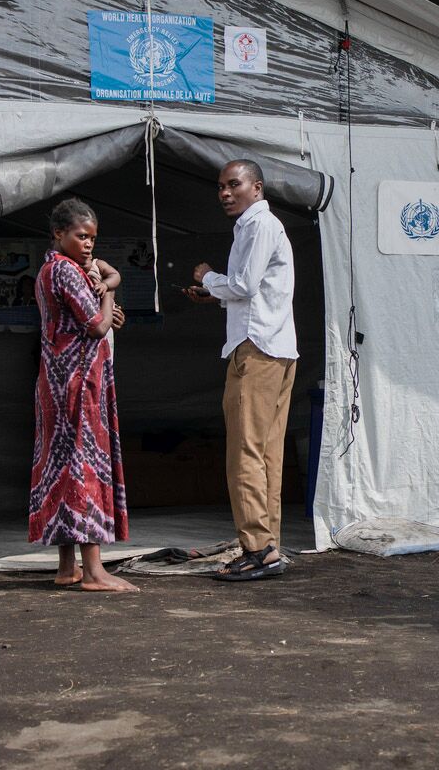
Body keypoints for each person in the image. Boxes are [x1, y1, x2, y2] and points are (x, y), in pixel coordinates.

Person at [185, 159, 297, 582]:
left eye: (234, 185)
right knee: (267, 453)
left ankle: (257, 547)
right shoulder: (260, 227)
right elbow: (255, 291)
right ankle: (268, 546)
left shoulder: (257, 226)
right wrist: (215, 293)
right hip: (278, 347)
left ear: (257, 187)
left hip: (256, 350)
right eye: (221, 187)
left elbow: (245, 284)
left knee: (245, 453)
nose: (225, 193)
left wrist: (209, 277)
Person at [31, 197, 136, 592]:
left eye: (92, 237)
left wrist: (105, 289)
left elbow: (110, 276)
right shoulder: (67, 271)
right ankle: (93, 570)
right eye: (81, 236)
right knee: (84, 465)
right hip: (78, 381)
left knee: (60, 467)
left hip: (56, 382)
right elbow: (95, 326)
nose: (89, 244)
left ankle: (66, 567)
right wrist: (107, 300)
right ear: (59, 234)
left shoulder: (51, 269)